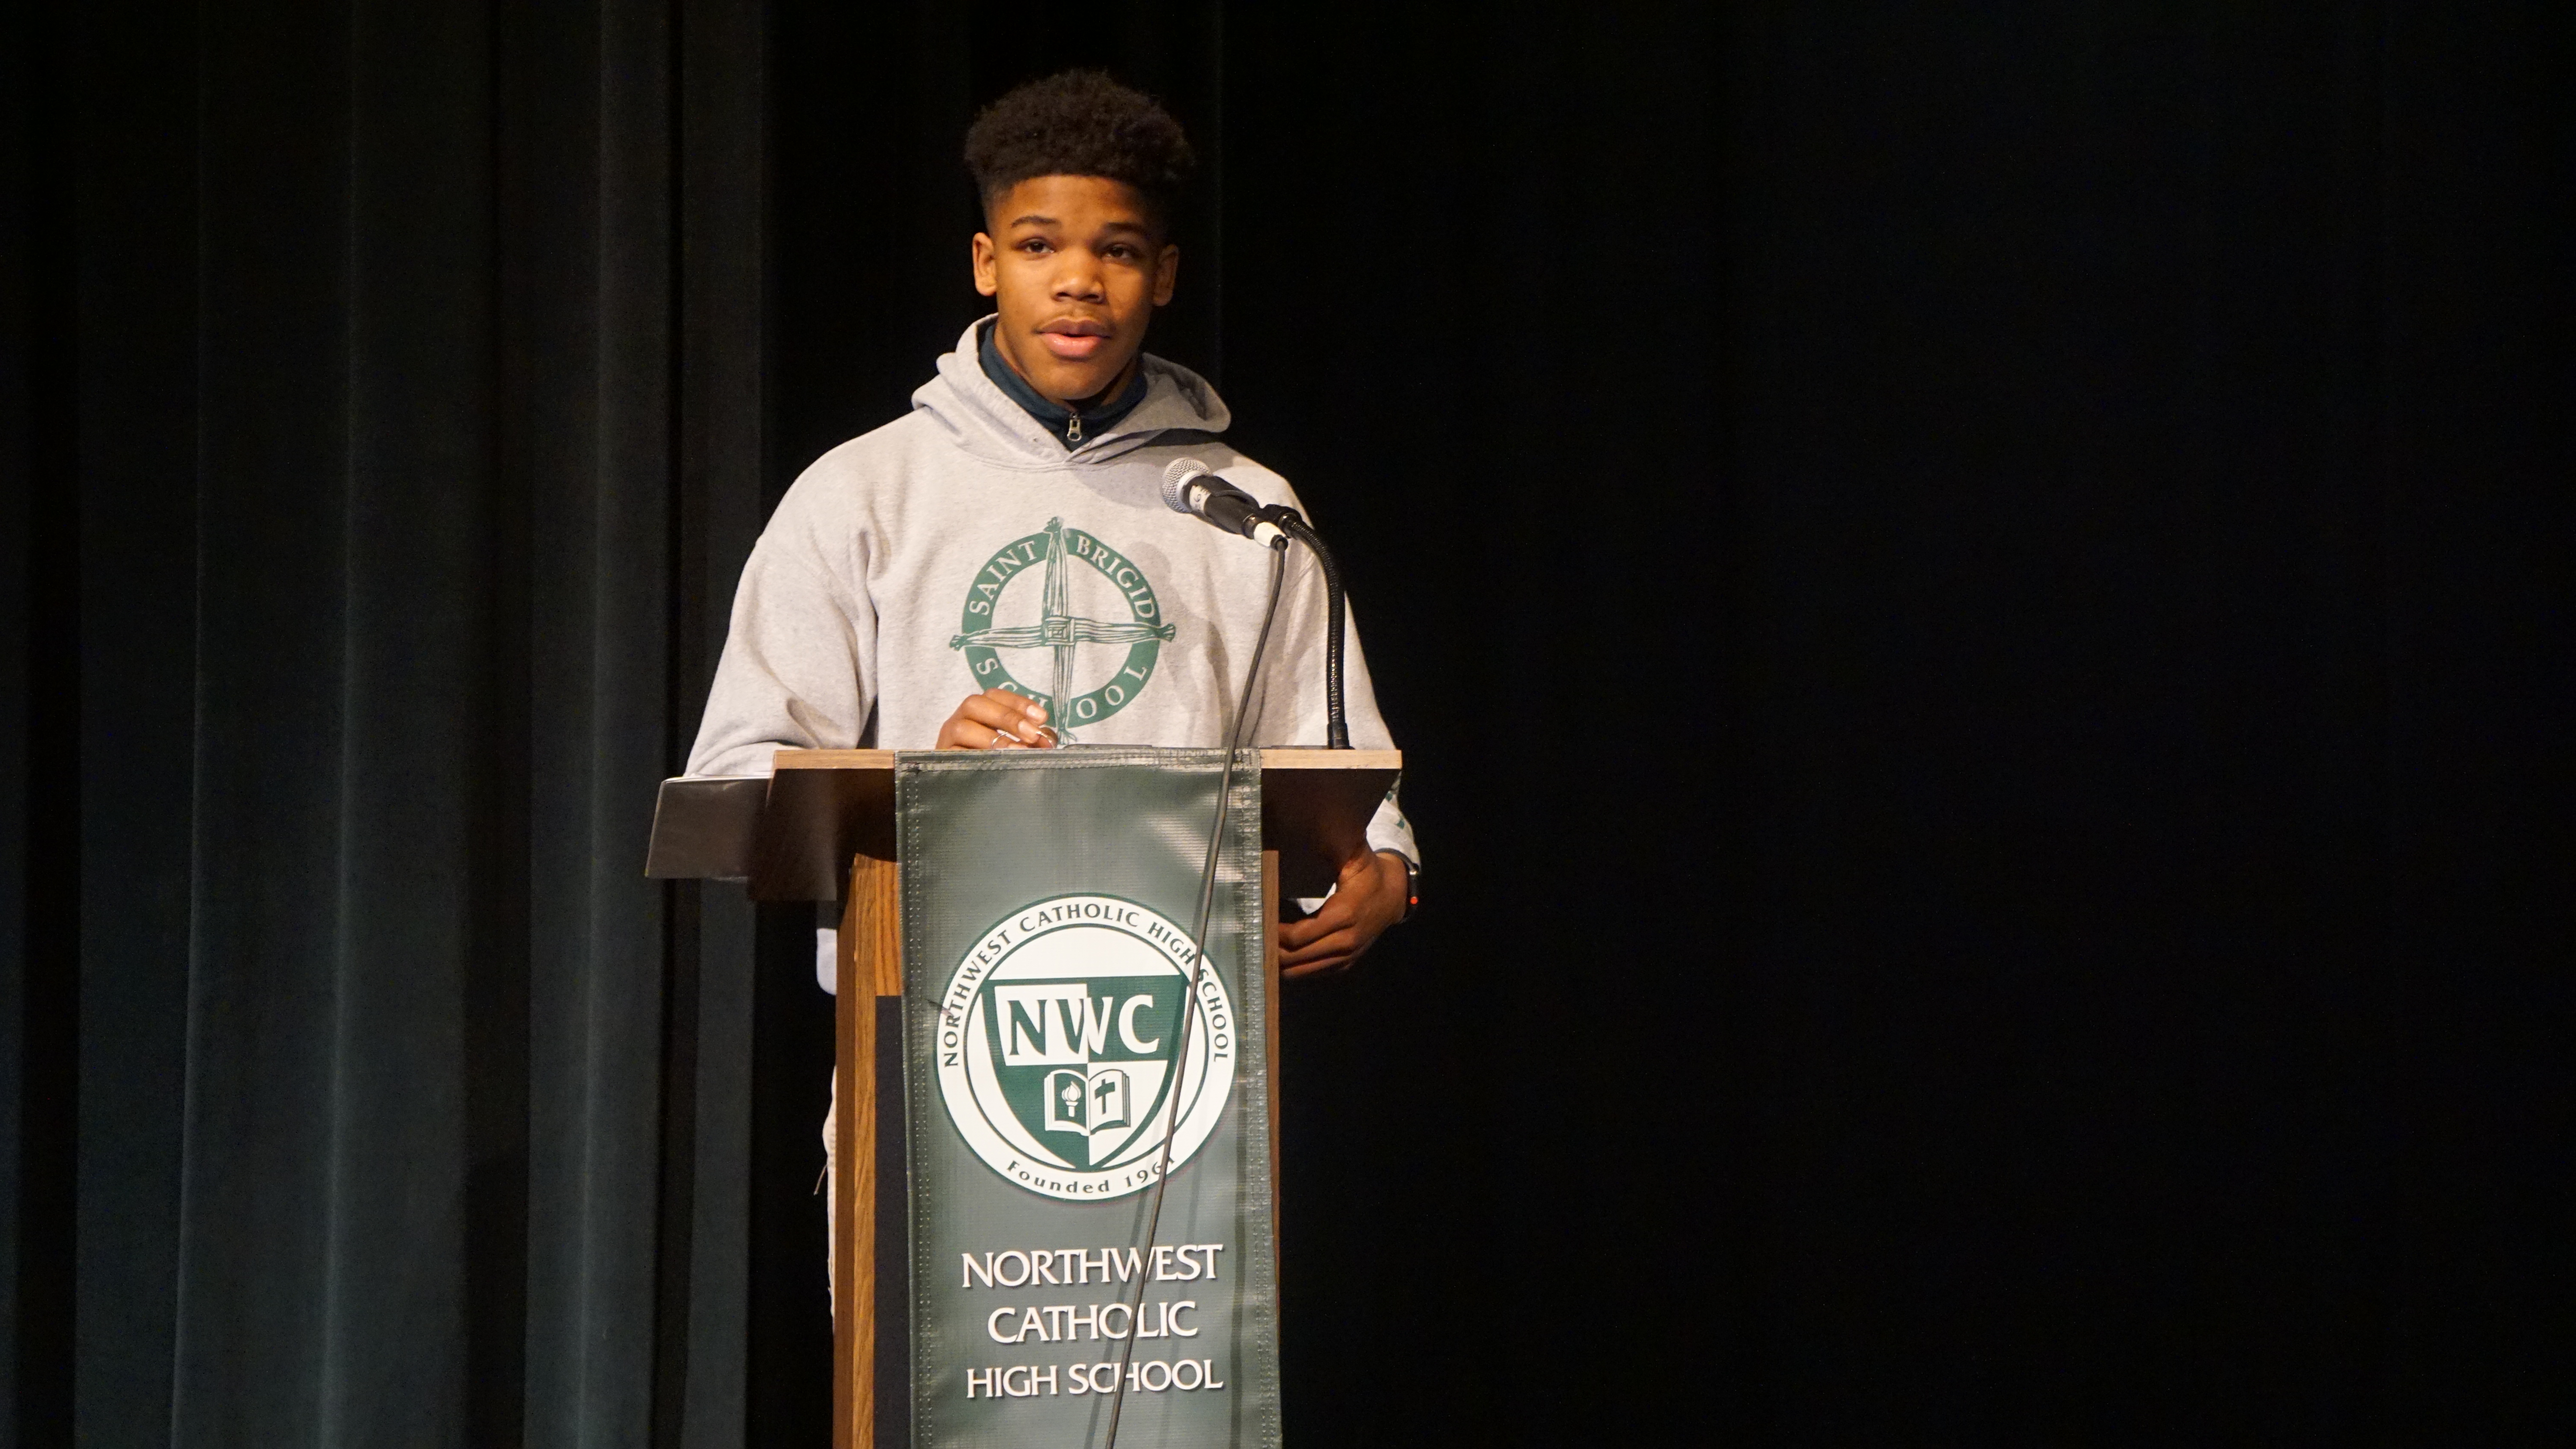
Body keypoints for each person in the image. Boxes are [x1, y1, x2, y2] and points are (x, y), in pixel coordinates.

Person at [688, 70, 1418, 963]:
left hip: (1181, 1020)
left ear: (1165, 274)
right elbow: (735, 781)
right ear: (985, 263)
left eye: (1117, 251)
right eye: (1038, 247)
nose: (1078, 281)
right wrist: (925, 776)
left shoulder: (1248, 510)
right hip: (927, 1012)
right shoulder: (862, 490)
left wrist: (1386, 865)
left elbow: (1339, 767)